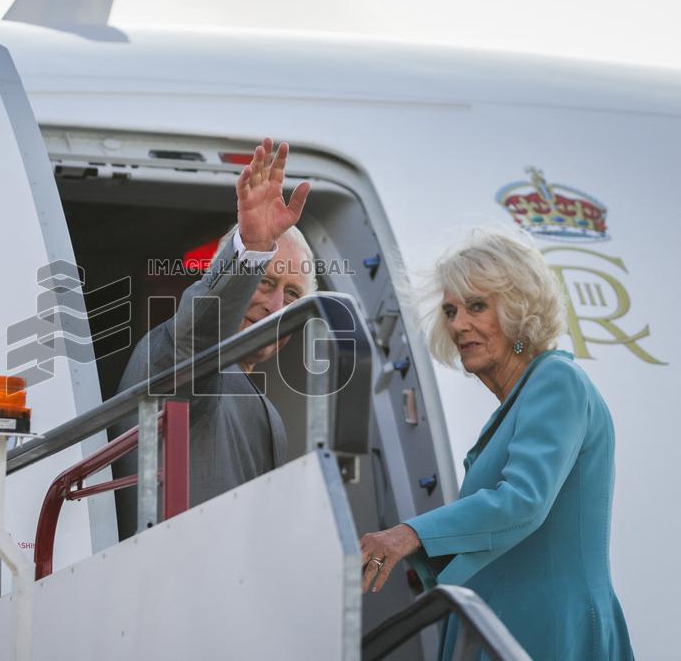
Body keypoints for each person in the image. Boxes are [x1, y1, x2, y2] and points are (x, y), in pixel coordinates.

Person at [358, 229, 633, 659]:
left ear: (520, 311)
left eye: (477, 306)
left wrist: (410, 534)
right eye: (450, 310)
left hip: (549, 632)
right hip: (506, 625)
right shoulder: (521, 400)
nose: (457, 324)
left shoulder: (557, 380)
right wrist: (429, 558)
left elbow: (523, 500)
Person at [112, 138, 315, 538]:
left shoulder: (266, 411)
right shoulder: (173, 357)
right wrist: (252, 248)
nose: (276, 307)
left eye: (292, 295)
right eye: (263, 282)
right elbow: (197, 338)